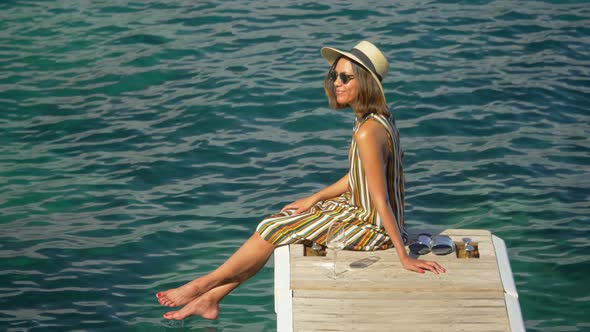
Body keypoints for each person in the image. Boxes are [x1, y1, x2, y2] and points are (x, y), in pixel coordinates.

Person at [155, 40, 446, 321]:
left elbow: (380, 198)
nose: (337, 83)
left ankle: (201, 287)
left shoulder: (368, 132)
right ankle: (211, 300)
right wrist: (315, 198)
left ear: (366, 83)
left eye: (346, 77)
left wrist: (403, 256)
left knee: (272, 227)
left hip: (372, 227)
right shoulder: (376, 119)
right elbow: (359, 176)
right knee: (283, 218)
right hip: (359, 210)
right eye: (335, 75)